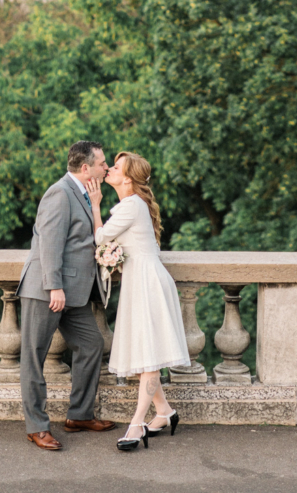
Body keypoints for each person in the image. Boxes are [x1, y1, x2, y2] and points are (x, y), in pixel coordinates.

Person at [16, 140, 117, 452]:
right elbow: (49, 243)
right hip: (47, 290)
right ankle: (37, 427)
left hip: (73, 293)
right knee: (34, 356)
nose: (107, 168)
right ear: (85, 168)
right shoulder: (59, 192)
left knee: (91, 344)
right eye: (102, 163)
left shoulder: (85, 193)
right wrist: (54, 286)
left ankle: (80, 415)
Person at [90, 150, 189, 451]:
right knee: (147, 355)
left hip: (148, 285)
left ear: (128, 178)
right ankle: (164, 412)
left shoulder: (131, 205)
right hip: (142, 281)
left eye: (115, 167)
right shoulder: (133, 204)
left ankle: (136, 424)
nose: (109, 169)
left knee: (148, 359)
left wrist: (95, 206)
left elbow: (101, 238)